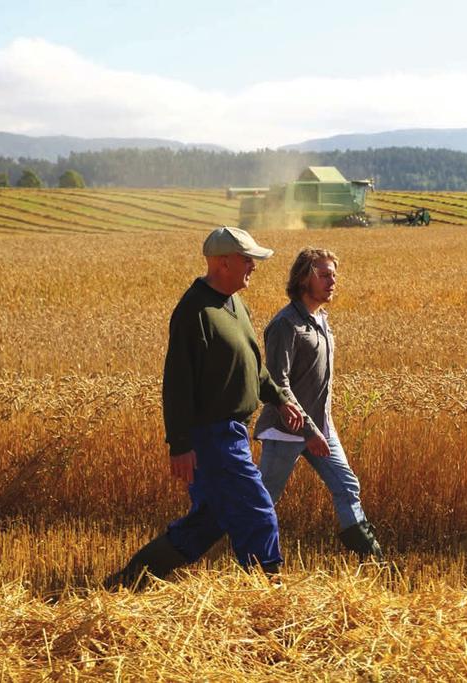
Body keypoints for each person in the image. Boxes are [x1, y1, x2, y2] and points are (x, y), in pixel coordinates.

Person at [104, 227, 313, 590]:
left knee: (208, 522)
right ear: (222, 262)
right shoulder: (194, 311)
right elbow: (178, 383)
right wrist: (181, 444)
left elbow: (253, 365)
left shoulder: (236, 305)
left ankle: (127, 582)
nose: (253, 266)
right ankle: (271, 593)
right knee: (257, 511)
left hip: (232, 433)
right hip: (211, 436)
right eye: (247, 259)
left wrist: (278, 398)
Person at [253, 247, 384, 561]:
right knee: (264, 498)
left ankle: (372, 557)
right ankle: (249, 556)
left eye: (334, 275)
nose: (332, 281)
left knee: (347, 484)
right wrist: (308, 430)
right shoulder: (286, 324)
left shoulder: (320, 320)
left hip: (321, 428)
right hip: (287, 430)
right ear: (303, 279)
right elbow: (277, 382)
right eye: (324, 275)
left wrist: (319, 427)